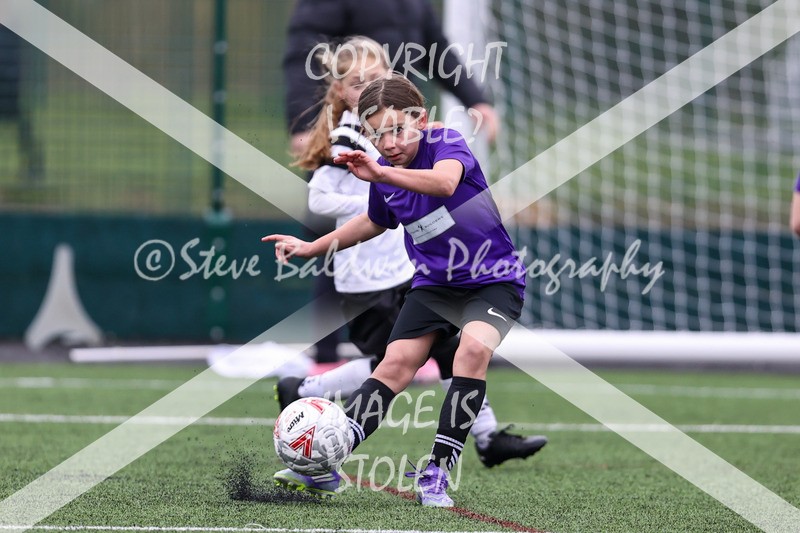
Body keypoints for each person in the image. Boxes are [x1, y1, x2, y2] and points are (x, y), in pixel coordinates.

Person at [275, 36, 546, 476]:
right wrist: (313, 247)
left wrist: (383, 173)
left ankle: (441, 468)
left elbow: (442, 184)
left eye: (398, 130)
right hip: (430, 284)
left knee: (467, 352)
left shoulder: (445, 142)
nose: (390, 141)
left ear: (420, 118)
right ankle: (324, 460)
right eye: (378, 134)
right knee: (396, 363)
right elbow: (372, 221)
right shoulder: (376, 161)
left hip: (491, 279)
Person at [283, 0, 500, 365]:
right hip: (358, 148)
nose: (370, 81)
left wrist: (474, 98)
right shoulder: (345, 136)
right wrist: (302, 121)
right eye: (358, 80)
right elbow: (302, 48)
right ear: (341, 88)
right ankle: (324, 357)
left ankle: (429, 350)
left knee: (415, 250)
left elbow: (435, 46)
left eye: (377, 74)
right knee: (339, 241)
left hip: (391, 125)